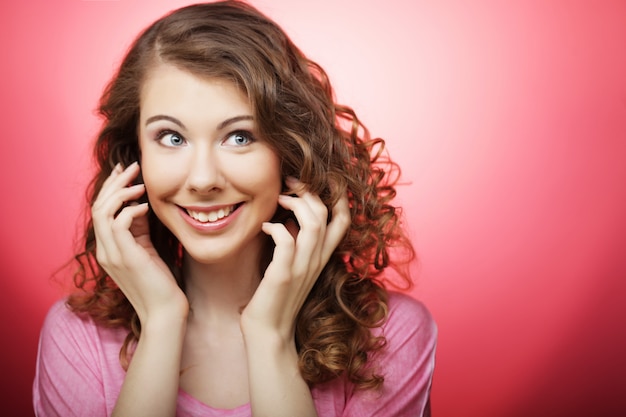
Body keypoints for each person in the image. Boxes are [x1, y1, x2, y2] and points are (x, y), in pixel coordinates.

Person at [33, 1, 437, 416]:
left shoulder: (388, 336)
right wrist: (161, 323)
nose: (203, 179)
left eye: (239, 137)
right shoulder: (77, 339)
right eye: (172, 138)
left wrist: (270, 337)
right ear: (134, 156)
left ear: (292, 152)